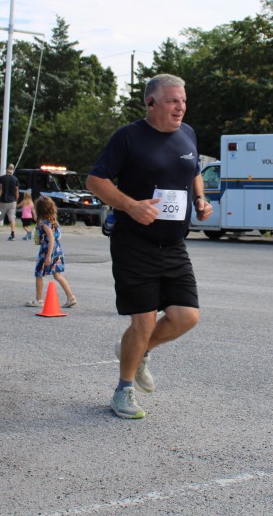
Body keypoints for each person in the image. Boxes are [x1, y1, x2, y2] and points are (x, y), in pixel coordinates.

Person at [87, 73, 213, 420]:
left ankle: (137, 351)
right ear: (151, 103)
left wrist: (200, 200)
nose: (180, 107)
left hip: (173, 244)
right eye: (173, 101)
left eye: (183, 101)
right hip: (134, 243)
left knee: (186, 317)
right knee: (142, 322)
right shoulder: (128, 137)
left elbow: (194, 169)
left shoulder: (187, 134)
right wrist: (130, 205)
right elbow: (95, 180)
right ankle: (123, 391)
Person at [28, 195, 78, 309]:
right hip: (57, 250)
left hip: (48, 251)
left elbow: (51, 239)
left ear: (39, 210)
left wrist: (48, 256)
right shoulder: (54, 221)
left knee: (38, 273)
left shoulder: (45, 224)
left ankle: (39, 300)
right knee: (57, 275)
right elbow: (58, 237)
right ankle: (71, 297)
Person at [0, 164, 21, 241]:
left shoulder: (2, 178)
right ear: (13, 170)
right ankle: (13, 234)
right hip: (12, 201)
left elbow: (0, 189)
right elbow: (17, 191)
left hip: (4, 201)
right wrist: (16, 200)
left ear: (7, 169)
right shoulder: (15, 179)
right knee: (12, 218)